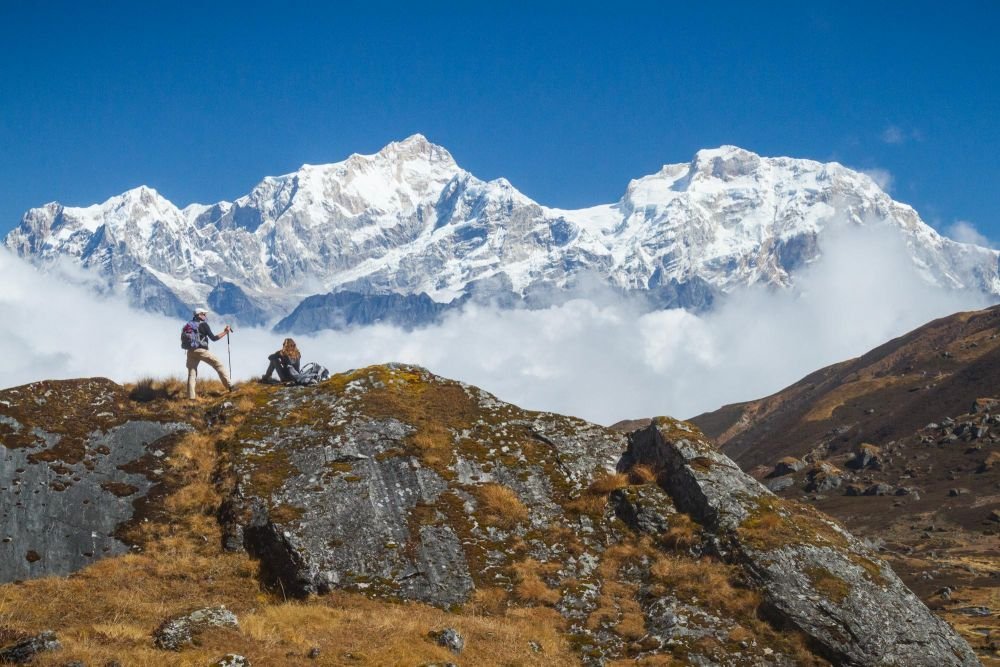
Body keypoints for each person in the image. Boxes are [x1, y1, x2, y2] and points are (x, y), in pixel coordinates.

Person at [185, 308, 233, 399]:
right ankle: (230, 386)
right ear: (199, 315)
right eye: (204, 314)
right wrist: (226, 332)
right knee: (218, 365)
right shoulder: (204, 325)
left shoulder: (189, 324)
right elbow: (214, 338)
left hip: (190, 351)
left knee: (192, 373)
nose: (205, 316)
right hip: (201, 351)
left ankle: (191, 397)